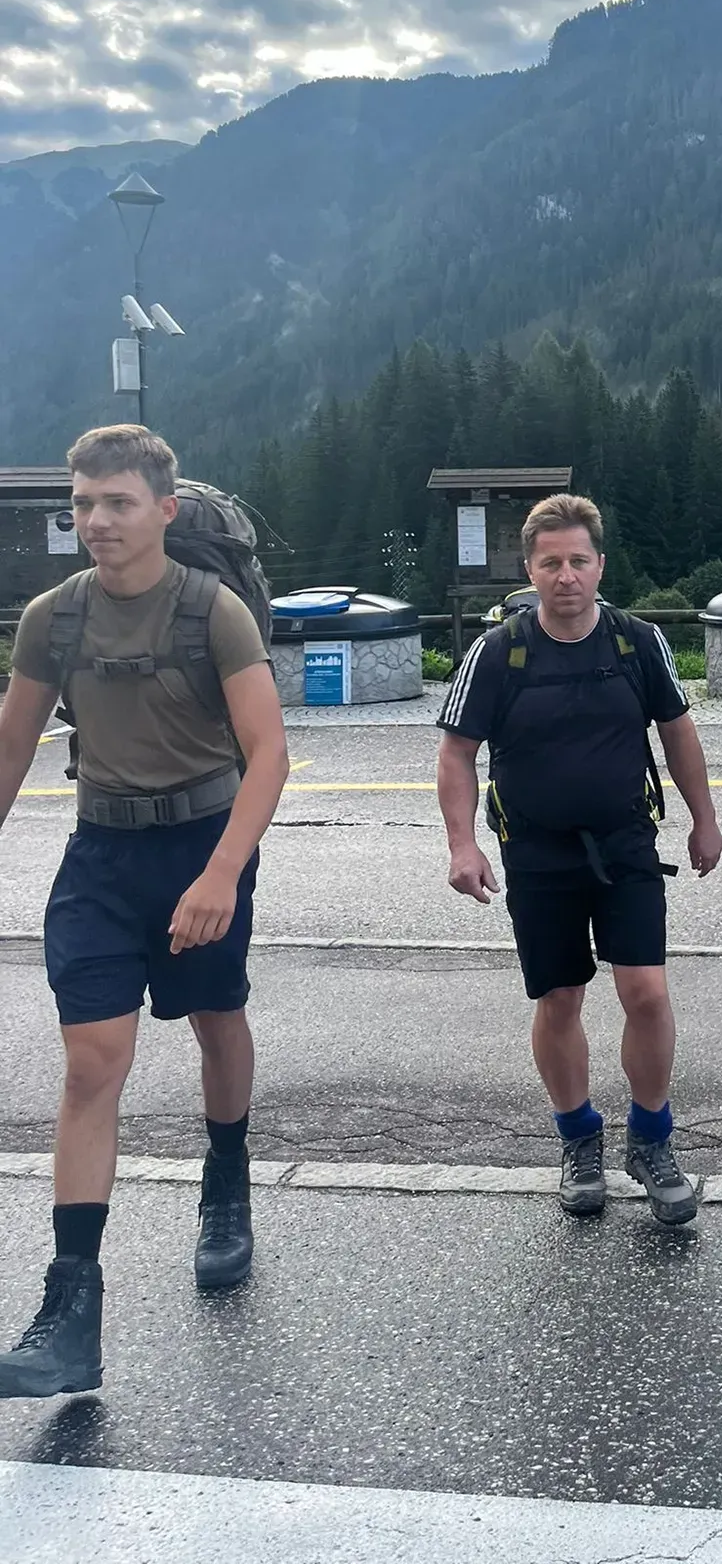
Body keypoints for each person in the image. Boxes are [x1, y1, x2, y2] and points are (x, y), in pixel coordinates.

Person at [0, 426, 289, 1398]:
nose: (95, 521)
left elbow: (269, 754)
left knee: (217, 1020)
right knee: (91, 1063)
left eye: (116, 501)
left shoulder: (215, 615)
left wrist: (220, 873)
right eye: (83, 503)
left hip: (203, 847)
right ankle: (71, 1313)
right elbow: (10, 750)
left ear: (164, 509)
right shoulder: (53, 618)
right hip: (101, 857)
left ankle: (227, 1178)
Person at [437, 493, 722, 1225]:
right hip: (534, 851)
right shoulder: (499, 652)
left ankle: (652, 1140)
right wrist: (462, 843)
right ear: (530, 570)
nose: (566, 575)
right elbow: (457, 752)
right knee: (559, 998)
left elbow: (678, 733)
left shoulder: (637, 642)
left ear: (600, 565)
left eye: (578, 561)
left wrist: (704, 819)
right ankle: (579, 1139)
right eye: (550, 562)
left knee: (647, 994)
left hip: (627, 843)